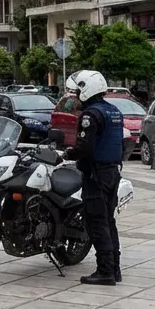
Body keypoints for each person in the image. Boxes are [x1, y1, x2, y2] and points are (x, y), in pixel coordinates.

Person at [65, 69, 123, 286]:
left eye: (76, 91)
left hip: (96, 175)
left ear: (86, 89)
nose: (75, 96)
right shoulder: (113, 111)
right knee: (108, 220)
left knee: (96, 222)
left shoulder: (91, 115)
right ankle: (114, 268)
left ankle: (105, 271)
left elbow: (85, 148)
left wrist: (67, 154)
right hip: (112, 172)